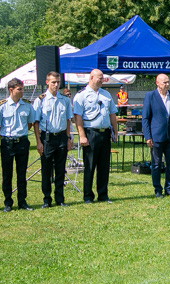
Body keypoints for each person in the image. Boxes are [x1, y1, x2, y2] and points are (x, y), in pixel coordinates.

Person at [73, 69, 118, 204]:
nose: (102, 80)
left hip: (105, 133)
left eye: (103, 78)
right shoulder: (81, 95)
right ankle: (88, 196)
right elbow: (77, 117)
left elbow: (112, 114)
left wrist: (115, 131)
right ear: (91, 78)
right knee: (90, 166)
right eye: (100, 78)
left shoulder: (106, 94)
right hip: (90, 133)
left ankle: (103, 195)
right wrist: (82, 135)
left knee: (104, 166)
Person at [33, 71, 73, 208]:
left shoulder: (65, 100)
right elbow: (36, 122)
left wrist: (69, 138)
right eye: (53, 82)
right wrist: (38, 142)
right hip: (47, 138)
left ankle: (60, 198)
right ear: (47, 82)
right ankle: (46, 199)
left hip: (61, 136)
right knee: (46, 169)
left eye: (57, 82)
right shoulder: (40, 100)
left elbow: (68, 120)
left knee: (61, 169)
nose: (56, 85)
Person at [0, 78, 36, 212]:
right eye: (19, 89)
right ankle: (8, 202)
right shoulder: (1, 105)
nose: (22, 91)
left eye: (22, 89)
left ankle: (22, 201)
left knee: (21, 173)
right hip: (7, 142)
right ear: (11, 90)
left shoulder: (27, 105)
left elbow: (30, 123)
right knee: (7, 174)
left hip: (22, 142)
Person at [142, 73, 170, 198]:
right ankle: (157, 189)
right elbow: (145, 118)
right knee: (156, 164)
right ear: (157, 83)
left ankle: (169, 188)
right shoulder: (150, 96)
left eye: (168, 82)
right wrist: (148, 136)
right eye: (164, 82)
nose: (167, 84)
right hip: (156, 136)